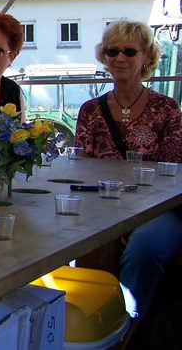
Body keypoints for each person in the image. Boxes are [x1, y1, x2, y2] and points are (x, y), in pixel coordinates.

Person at [75, 20, 182, 321]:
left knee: (144, 251)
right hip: (102, 206)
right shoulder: (90, 110)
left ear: (147, 56)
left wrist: (134, 216)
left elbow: (171, 171)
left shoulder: (167, 108)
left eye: (130, 51)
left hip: (157, 209)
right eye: (113, 51)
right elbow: (82, 168)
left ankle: (123, 327)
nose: (120, 58)